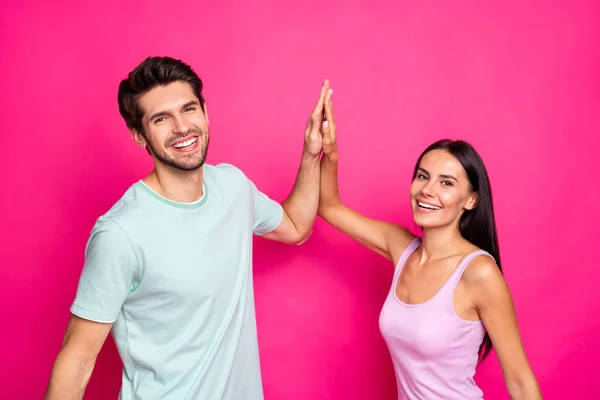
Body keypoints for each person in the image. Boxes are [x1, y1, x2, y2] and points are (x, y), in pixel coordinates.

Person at [44, 56, 332, 400]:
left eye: (189, 109)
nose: (182, 127)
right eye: (162, 119)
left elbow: (296, 226)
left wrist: (311, 153)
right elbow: (77, 358)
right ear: (140, 135)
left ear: (206, 112)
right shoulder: (121, 233)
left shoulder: (233, 187)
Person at [317, 90, 542, 399]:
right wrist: (330, 151)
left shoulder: (478, 273)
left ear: (472, 199)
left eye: (446, 183)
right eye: (423, 176)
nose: (427, 190)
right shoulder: (401, 247)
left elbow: (520, 382)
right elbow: (329, 207)